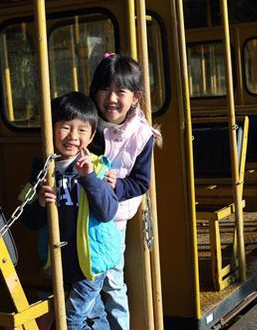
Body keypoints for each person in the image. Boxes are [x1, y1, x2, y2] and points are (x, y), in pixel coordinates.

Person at [21, 91, 121, 330]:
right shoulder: (41, 171)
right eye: (65, 127)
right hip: (58, 263)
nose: (73, 136)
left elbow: (108, 211)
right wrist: (41, 204)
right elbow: (27, 219)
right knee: (93, 314)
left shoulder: (97, 166)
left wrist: (89, 179)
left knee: (72, 321)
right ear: (50, 129)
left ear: (91, 135)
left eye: (82, 130)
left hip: (90, 264)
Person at [89, 53, 160, 330]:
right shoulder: (85, 121)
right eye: (105, 89)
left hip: (112, 220)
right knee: (81, 280)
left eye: (121, 91)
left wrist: (116, 185)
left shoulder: (141, 134)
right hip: (78, 214)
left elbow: (140, 182)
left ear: (136, 97)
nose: (111, 98)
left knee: (112, 281)